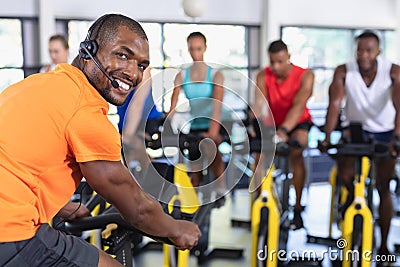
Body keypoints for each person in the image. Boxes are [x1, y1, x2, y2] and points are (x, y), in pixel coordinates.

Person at [0, 14, 200, 267]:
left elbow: (18, 160)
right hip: (10, 232)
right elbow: (137, 208)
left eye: (141, 65)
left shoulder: (32, 86)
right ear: (88, 49)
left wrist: (64, 207)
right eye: (123, 55)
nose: (133, 73)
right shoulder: (86, 112)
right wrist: (176, 228)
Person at [322, 30, 400, 257]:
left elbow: (399, 105)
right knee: (346, 175)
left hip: (385, 131)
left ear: (378, 51)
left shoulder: (393, 71)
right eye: (359, 50)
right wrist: (327, 137)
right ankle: (348, 201)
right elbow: (335, 104)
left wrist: (397, 136)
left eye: (368, 50)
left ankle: (384, 244)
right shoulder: (344, 71)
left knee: (383, 188)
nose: (363, 55)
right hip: (354, 129)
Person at [252, 40, 314, 230]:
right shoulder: (263, 75)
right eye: (272, 62)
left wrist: (285, 131)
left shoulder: (305, 75)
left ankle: (297, 208)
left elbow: (298, 105)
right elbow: (258, 103)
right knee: (259, 154)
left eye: (280, 61)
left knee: (297, 149)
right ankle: (260, 204)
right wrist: (253, 123)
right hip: (274, 122)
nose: (276, 66)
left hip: (297, 122)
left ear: (288, 57)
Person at [168, 31, 228, 197]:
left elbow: (217, 107)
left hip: (216, 123)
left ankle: (220, 185)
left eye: (198, 48)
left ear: (205, 48)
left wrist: (213, 133)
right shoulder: (182, 75)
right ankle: (192, 198)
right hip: (196, 124)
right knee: (193, 156)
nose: (195, 53)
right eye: (192, 49)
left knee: (210, 147)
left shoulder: (216, 75)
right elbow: (172, 107)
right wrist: (164, 126)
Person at [119, 67, 163, 172]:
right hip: (124, 120)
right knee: (126, 159)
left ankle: (151, 181)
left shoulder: (144, 69)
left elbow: (137, 105)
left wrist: (127, 136)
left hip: (147, 121)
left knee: (136, 151)